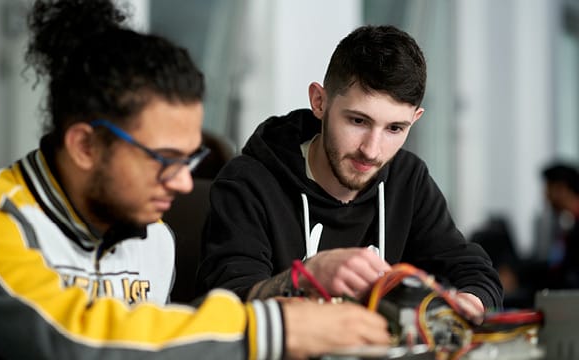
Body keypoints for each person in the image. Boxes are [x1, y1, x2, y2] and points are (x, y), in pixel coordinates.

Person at [0, 1, 391, 358]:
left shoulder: (155, 240)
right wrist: (274, 329)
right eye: (164, 159)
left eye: (189, 158)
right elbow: (71, 341)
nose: (181, 184)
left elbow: (157, 345)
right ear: (85, 146)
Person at [196, 24, 503, 319]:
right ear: (319, 101)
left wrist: (467, 304)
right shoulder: (249, 182)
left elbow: (473, 271)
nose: (372, 150)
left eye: (395, 128)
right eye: (358, 121)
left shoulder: (408, 179)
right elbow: (229, 305)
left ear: (415, 120)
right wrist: (306, 278)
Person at [540, 161, 579, 289]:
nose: (545, 196)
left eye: (548, 189)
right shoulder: (568, 221)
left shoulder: (575, 227)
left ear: (561, 189)